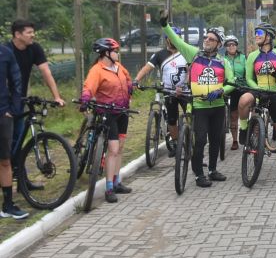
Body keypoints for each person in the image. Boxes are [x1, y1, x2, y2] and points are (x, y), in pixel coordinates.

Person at [161, 12, 234, 187]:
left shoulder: (224, 62)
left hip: (217, 106)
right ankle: (199, 174)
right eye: (205, 37)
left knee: (216, 139)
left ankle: (212, 170)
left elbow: (232, 83)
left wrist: (220, 91)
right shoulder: (194, 54)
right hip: (199, 105)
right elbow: (176, 40)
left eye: (211, 39)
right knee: (200, 140)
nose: (206, 40)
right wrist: (164, 25)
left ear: (219, 44)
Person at [7, 20, 66, 173]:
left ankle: (22, 180)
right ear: (17, 34)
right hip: (4, 101)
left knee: (18, 139)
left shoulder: (34, 48)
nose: (33, 35)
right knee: (7, 141)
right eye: (29, 32)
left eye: (33, 32)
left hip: (19, 100)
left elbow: (46, 72)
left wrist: (56, 96)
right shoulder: (6, 50)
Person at [79, 38, 134, 203]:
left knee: (121, 147)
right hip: (107, 112)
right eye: (115, 51)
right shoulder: (97, 70)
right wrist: (85, 99)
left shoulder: (119, 67)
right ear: (106, 53)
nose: (118, 53)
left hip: (123, 111)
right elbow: (89, 87)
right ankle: (109, 188)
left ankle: (117, 182)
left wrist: (131, 88)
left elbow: (128, 79)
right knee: (113, 149)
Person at [239, 23, 276, 172]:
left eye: (259, 32)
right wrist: (257, 88)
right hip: (258, 91)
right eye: (256, 32)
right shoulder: (252, 56)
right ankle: (244, 129)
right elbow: (249, 78)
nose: (256, 35)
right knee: (243, 100)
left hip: (275, 92)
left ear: (268, 36)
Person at [133, 27, 189, 157]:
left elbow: (191, 70)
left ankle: (191, 142)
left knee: (191, 117)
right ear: (167, 39)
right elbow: (147, 68)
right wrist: (136, 80)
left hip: (186, 92)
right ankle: (175, 143)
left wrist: (185, 83)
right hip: (169, 91)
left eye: (177, 36)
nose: (174, 39)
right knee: (171, 119)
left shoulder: (186, 52)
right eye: (171, 37)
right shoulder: (160, 55)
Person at [0, 43, 27, 219]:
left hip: (3, 113)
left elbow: (17, 81)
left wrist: (14, 109)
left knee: (4, 161)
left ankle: (8, 205)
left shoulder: (5, 52)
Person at [223, 35, 246, 150]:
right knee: (233, 115)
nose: (231, 46)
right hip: (228, 87)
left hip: (241, 87)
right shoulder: (222, 59)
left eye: (233, 44)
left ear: (236, 46)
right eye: (228, 45)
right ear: (226, 47)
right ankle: (235, 140)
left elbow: (248, 73)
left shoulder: (243, 57)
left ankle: (245, 128)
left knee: (245, 111)